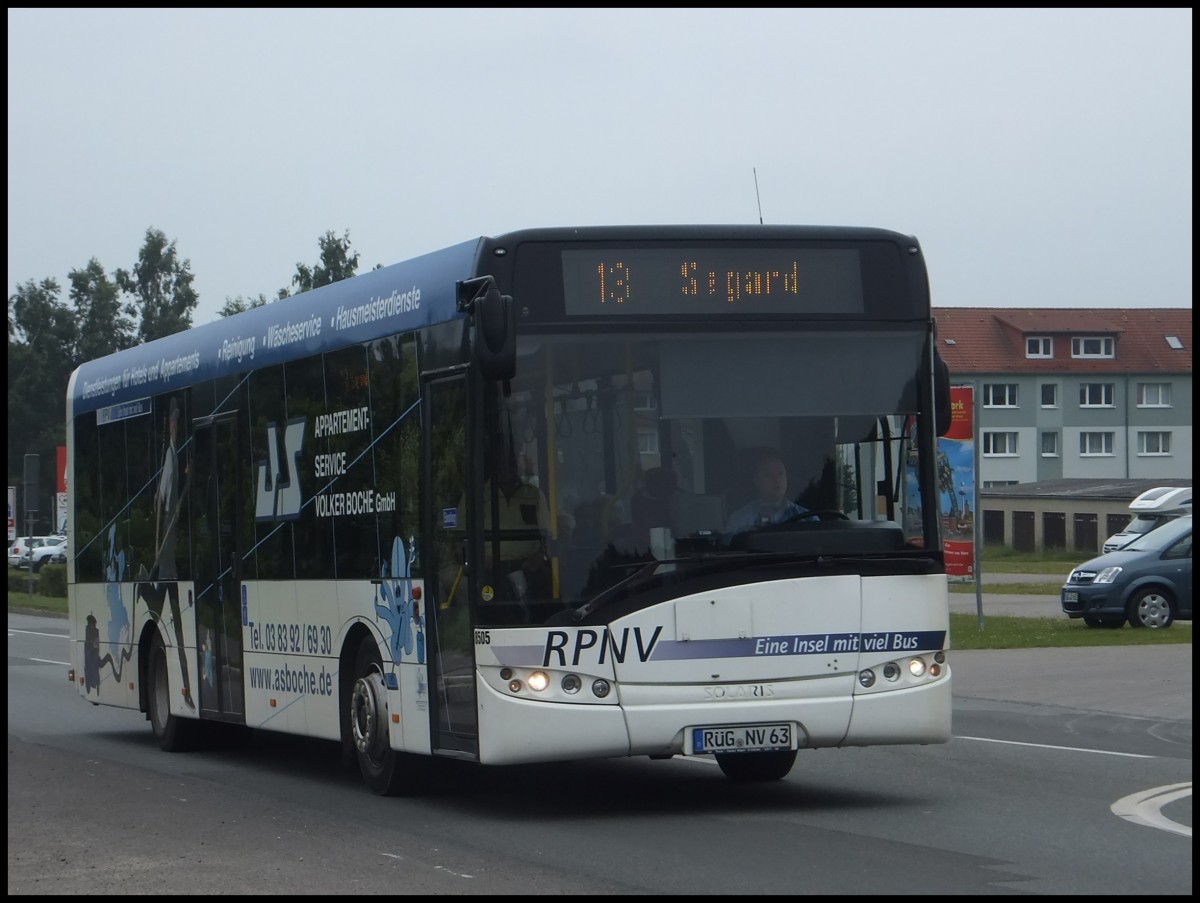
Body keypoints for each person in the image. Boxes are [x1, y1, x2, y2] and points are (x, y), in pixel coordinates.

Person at [137, 396, 193, 708]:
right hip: (167, 556)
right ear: (168, 424)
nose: (174, 424)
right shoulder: (170, 456)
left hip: (172, 558)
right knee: (173, 627)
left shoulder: (179, 455)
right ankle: (185, 688)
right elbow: (159, 499)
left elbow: (170, 498)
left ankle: (187, 687)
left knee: (179, 629)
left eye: (177, 419)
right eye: (171, 419)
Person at [723, 450, 811, 539]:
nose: (776, 479)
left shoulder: (806, 517)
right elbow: (728, 546)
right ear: (757, 482)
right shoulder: (740, 519)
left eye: (780, 474)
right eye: (768, 475)